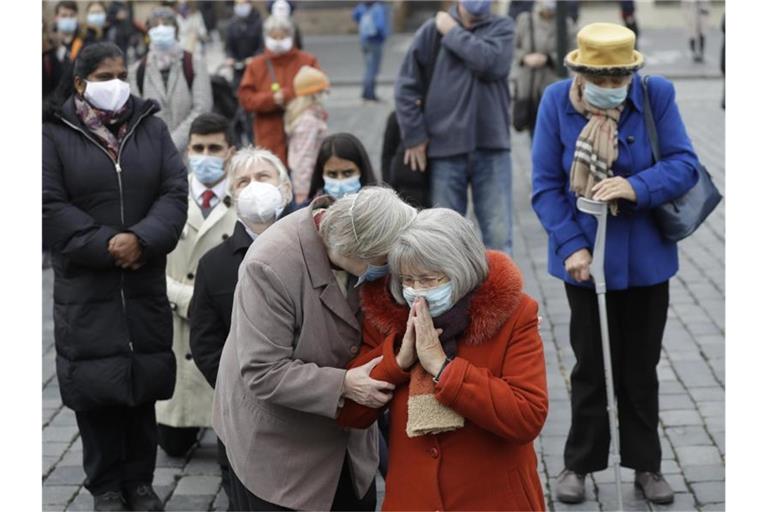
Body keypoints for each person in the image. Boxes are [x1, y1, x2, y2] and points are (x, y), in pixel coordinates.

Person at [530, 23, 699, 505]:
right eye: (599, 79)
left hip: (646, 261)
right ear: (578, 73)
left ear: (632, 72)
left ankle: (647, 464)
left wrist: (636, 186)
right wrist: (570, 248)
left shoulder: (654, 94)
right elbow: (544, 185)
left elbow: (685, 163)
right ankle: (580, 463)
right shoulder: (555, 101)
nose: (609, 89)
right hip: (585, 259)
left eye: (617, 78)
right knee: (589, 366)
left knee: (640, 367)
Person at [43, 41, 188, 512]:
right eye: (106, 76)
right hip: (88, 286)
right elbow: (48, 206)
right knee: (97, 389)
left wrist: (141, 240)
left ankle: (140, 482)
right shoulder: (53, 134)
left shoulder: (151, 128)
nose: (117, 84)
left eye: (122, 74)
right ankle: (105, 485)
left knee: (142, 382)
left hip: (142, 281)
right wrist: (107, 245)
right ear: (82, 84)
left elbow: (173, 192)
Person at [211, 187, 416, 510]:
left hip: (349, 444)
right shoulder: (270, 264)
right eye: (384, 262)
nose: (389, 272)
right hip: (281, 451)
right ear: (354, 250)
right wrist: (344, 384)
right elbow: (263, 371)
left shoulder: (365, 250)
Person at [337, 208, 548, 510]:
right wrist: (396, 362)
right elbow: (349, 413)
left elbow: (526, 416)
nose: (417, 292)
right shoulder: (389, 318)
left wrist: (443, 368)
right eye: (408, 280)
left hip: (494, 498)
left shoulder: (514, 315)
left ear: (461, 271)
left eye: (429, 279)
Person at [189, 146, 294, 508]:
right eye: (244, 180)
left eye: (263, 177)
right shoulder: (214, 264)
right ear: (232, 196)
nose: (254, 186)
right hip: (243, 415)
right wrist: (241, 389)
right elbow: (205, 341)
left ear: (285, 188)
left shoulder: (317, 252)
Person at [395, 0, 515, 256]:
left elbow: (490, 63)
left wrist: (452, 31)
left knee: (499, 237)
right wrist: (414, 135)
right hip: (445, 149)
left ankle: (503, 296)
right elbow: (406, 86)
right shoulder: (430, 32)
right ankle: (450, 296)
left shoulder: (502, 27)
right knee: (444, 240)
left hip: (491, 146)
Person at [155, 113, 238, 458]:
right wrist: (184, 298)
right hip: (177, 323)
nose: (206, 155)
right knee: (172, 445)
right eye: (199, 148)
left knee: (229, 433)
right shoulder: (166, 196)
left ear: (230, 151)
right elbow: (150, 267)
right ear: (187, 151)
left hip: (224, 323)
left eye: (214, 147)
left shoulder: (246, 199)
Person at [129, 7, 213, 154]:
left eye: (166, 24)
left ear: (175, 29)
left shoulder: (194, 63)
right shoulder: (137, 70)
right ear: (148, 31)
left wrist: (174, 141)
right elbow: (137, 115)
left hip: (191, 152)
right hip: (153, 153)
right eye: (155, 25)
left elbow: (202, 108)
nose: (161, 29)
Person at [238, 15, 319, 164]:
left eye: (283, 36)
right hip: (268, 134)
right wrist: (271, 99)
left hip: (301, 131)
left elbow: (317, 89)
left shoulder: (307, 61)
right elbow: (246, 99)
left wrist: (288, 94)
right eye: (274, 37)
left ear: (291, 36)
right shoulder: (256, 65)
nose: (278, 41)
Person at [513, 0, 575, 139]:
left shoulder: (565, 22)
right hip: (529, 86)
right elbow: (513, 47)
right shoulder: (525, 20)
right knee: (534, 132)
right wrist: (525, 57)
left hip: (553, 82)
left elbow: (574, 52)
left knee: (553, 129)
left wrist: (548, 58)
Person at [285, 66, 330, 206]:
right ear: (314, 94)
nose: (327, 95)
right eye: (324, 91)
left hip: (311, 183)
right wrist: (303, 192)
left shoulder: (310, 116)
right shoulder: (308, 121)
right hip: (308, 188)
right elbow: (304, 157)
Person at [307, 132, 378, 202]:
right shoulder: (310, 210)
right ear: (321, 173)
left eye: (348, 173)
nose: (340, 181)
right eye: (332, 174)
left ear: (362, 170)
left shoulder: (379, 206)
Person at [43, 1, 85, 99]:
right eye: (64, 15)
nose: (68, 19)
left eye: (71, 16)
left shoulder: (84, 43)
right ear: (56, 18)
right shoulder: (47, 45)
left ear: (76, 18)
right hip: (50, 103)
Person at [353, 1, 390, 102]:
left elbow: (355, 16)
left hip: (364, 41)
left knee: (368, 68)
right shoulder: (378, 8)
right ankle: (370, 94)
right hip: (375, 42)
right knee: (373, 69)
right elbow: (380, 25)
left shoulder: (361, 7)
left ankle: (366, 92)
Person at [225, 0, 264, 88]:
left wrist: (254, 58)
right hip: (238, 68)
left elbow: (262, 46)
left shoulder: (259, 22)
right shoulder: (232, 23)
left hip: (255, 67)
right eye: (238, 4)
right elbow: (228, 46)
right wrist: (230, 57)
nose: (240, 6)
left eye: (243, 4)